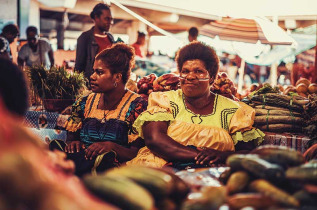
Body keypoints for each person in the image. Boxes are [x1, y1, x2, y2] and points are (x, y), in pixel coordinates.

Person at [128, 41, 265, 168]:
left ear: (211, 77)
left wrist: (222, 155)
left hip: (209, 177)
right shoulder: (165, 100)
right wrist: (200, 156)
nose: (190, 76)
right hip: (157, 171)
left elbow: (247, 153)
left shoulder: (233, 110)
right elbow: (154, 139)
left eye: (198, 71)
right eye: (185, 71)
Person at [62, 43, 147, 176]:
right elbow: (71, 136)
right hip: (80, 169)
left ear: (117, 77)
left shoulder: (137, 106)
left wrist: (112, 147)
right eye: (94, 70)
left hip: (114, 176)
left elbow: (138, 152)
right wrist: (73, 143)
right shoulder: (84, 103)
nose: (92, 76)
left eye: (99, 72)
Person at [75, 3, 116, 79]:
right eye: (107, 19)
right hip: (92, 86)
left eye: (111, 19)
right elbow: (79, 67)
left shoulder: (111, 38)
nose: (110, 22)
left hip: (109, 86)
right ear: (96, 18)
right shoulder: (85, 38)